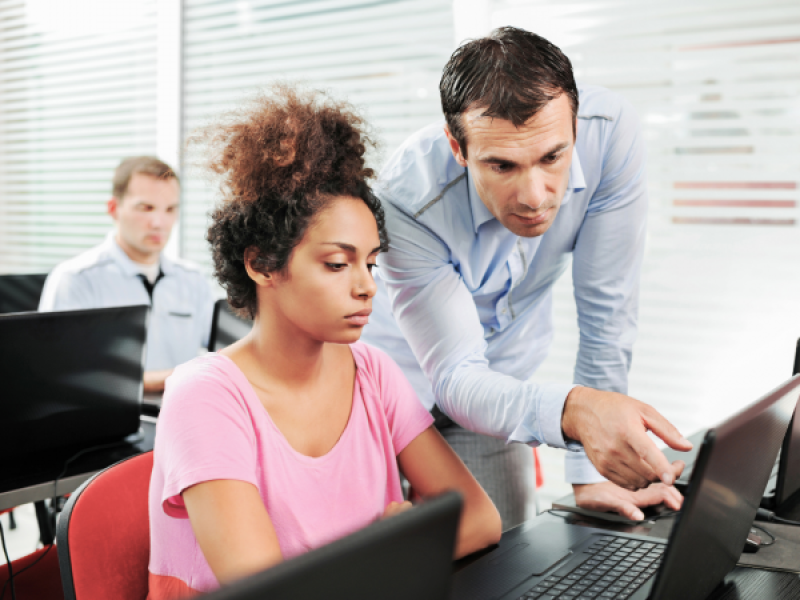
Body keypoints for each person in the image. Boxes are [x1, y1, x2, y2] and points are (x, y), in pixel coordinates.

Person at [146, 87, 501, 599]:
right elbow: (268, 591)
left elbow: (479, 519)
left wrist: (388, 553)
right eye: (337, 264)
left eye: (371, 262)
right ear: (261, 264)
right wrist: (393, 546)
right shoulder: (204, 395)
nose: (366, 286)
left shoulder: (372, 371)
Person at [360, 27, 692, 527]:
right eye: (502, 165)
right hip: (392, 391)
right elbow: (453, 373)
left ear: (575, 128)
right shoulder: (406, 201)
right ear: (457, 147)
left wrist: (589, 469)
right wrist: (577, 412)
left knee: (505, 551)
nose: (535, 196)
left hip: (500, 391)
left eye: (552, 157)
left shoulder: (611, 135)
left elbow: (607, 308)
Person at [38, 156, 215, 392]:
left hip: (186, 414)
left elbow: (223, 351)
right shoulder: (76, 279)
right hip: (106, 419)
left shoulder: (193, 279)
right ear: (114, 209)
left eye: (170, 209)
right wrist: (176, 377)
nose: (159, 222)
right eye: (146, 208)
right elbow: (64, 375)